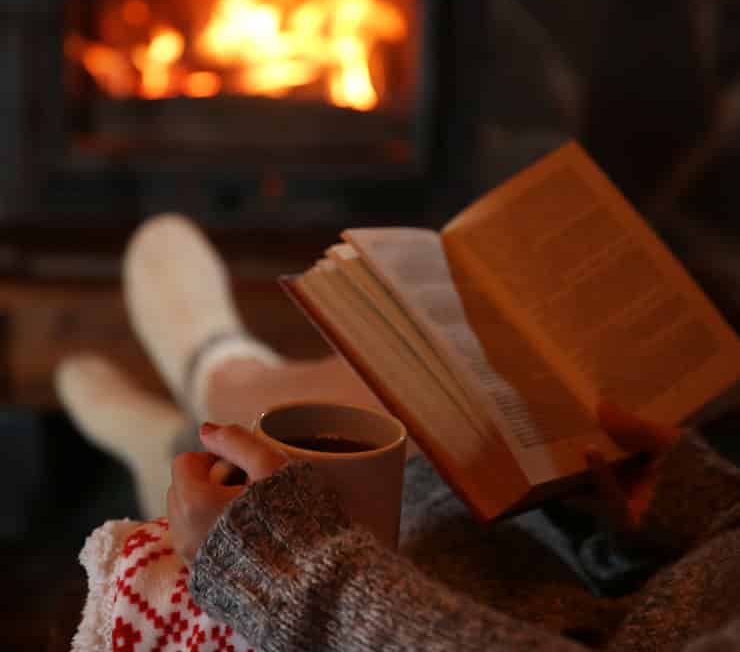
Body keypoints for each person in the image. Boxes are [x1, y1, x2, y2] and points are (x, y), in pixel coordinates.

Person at [57, 213, 740, 651]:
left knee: (401, 413)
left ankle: (212, 376)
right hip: (606, 573)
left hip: (510, 608)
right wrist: (695, 500)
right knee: (432, 386)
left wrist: (283, 561)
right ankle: (202, 396)